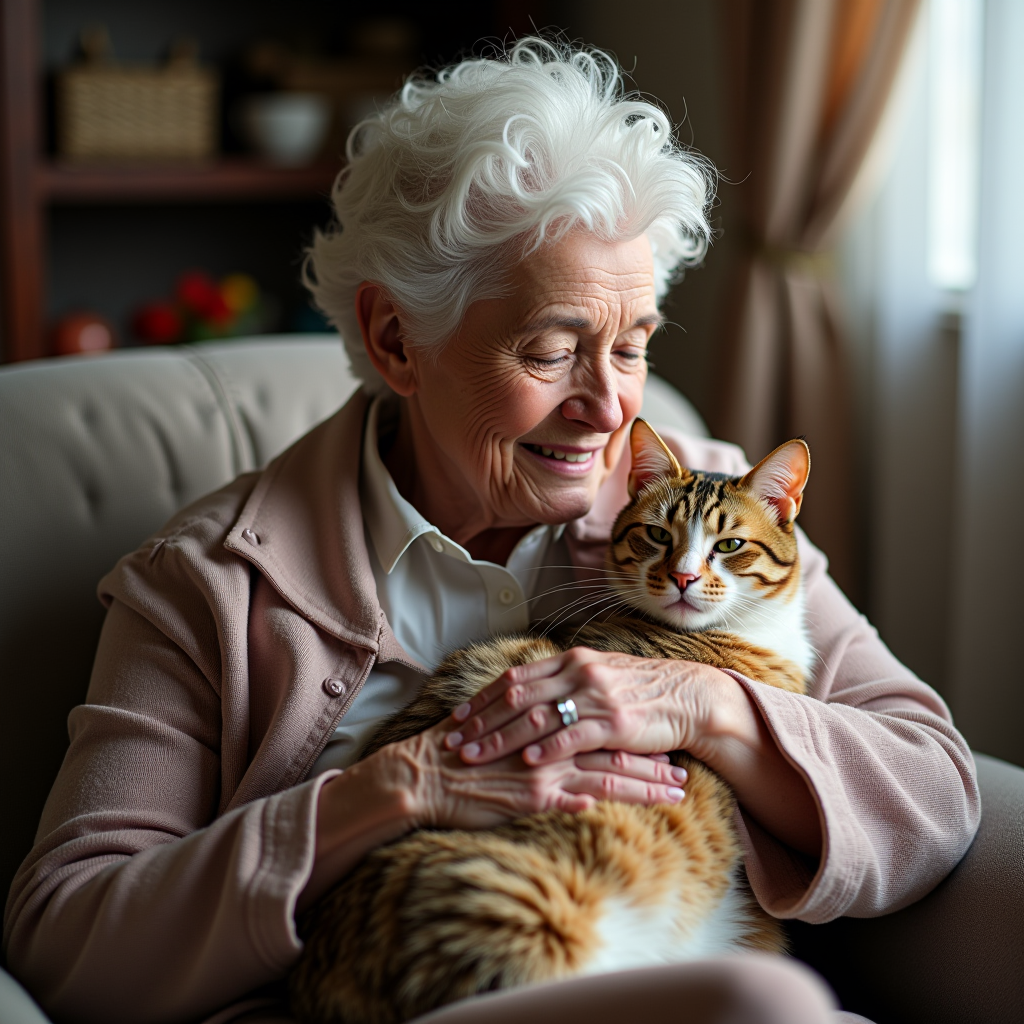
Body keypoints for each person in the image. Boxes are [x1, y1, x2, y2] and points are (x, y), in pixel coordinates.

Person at [3, 39, 978, 1024]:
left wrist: (700, 703)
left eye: (633, 344)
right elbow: (70, 937)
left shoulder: (702, 505)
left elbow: (934, 793)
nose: (607, 407)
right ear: (396, 340)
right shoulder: (210, 582)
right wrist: (398, 790)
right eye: (553, 351)